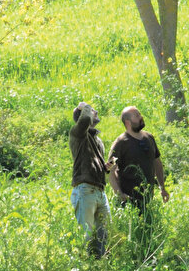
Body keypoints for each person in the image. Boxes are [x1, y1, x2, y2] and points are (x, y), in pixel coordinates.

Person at [69, 101, 114, 258]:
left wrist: (106, 167)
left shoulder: (98, 141)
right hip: (85, 190)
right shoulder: (77, 133)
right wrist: (83, 106)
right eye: (91, 110)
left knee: (104, 233)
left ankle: (99, 264)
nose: (95, 112)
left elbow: (94, 164)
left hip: (100, 192)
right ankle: (82, 265)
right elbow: (83, 121)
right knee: (86, 235)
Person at [108, 105, 170, 212]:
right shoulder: (120, 143)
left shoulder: (149, 138)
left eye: (139, 114)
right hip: (128, 205)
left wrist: (162, 188)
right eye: (136, 115)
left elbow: (157, 163)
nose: (141, 117)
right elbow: (109, 171)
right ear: (128, 122)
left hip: (148, 201)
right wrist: (119, 194)